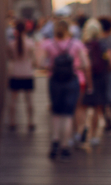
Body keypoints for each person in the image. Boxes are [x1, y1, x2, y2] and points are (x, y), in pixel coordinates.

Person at [39, 19, 91, 160]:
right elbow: (85, 64)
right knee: (68, 114)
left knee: (56, 113)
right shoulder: (76, 44)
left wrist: (52, 66)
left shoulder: (48, 44)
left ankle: (55, 140)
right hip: (71, 80)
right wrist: (75, 67)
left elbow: (40, 63)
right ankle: (65, 146)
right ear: (69, 30)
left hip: (54, 80)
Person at [80, 18, 111, 146]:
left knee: (84, 106)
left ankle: (81, 131)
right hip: (100, 78)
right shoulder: (103, 44)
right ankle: (94, 136)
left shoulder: (83, 45)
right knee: (98, 107)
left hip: (86, 78)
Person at [6, 19, 36, 131]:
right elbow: (34, 60)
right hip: (27, 72)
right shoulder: (30, 43)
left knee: (13, 100)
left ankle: (12, 122)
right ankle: (30, 122)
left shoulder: (11, 44)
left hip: (15, 73)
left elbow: (10, 58)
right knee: (29, 100)